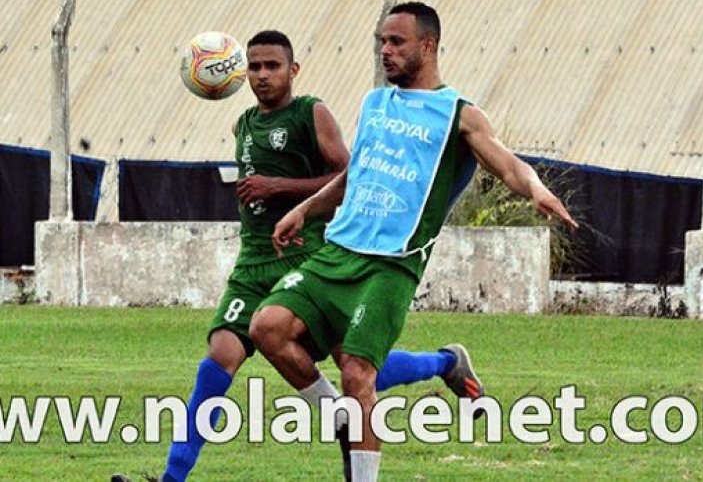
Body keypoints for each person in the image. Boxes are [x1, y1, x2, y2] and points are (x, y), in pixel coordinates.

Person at [111, 29, 483, 482]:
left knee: (357, 367)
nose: (262, 75)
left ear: (293, 70)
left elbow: (351, 173)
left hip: (307, 255)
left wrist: (279, 188)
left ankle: (445, 362)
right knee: (220, 356)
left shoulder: (313, 114)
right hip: (253, 261)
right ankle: (172, 479)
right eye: (254, 67)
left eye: (272, 66)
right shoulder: (244, 123)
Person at [249, 3, 579, 482]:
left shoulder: (457, 115)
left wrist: (537, 190)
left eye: (396, 42)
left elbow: (508, 164)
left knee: (358, 373)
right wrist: (304, 209)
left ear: (427, 46)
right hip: (338, 252)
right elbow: (356, 176)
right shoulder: (375, 103)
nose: (385, 51)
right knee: (268, 328)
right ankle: (339, 415)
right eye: (382, 41)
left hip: (390, 266)